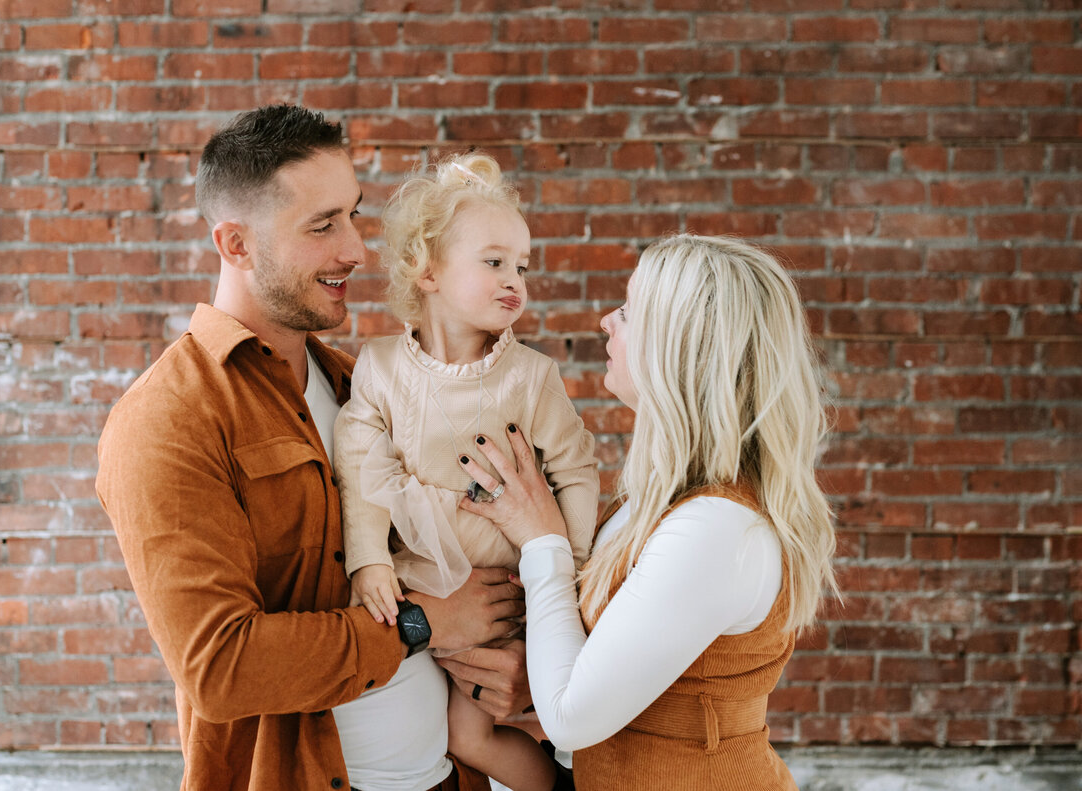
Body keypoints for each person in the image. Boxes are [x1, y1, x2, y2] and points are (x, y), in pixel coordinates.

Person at [95, 104, 528, 791]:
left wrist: (507, 667)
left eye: (353, 215)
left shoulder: (363, 385)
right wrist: (421, 625)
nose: (355, 249)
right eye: (323, 226)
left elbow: (452, 558)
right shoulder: (169, 418)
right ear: (236, 244)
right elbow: (221, 667)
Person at [455, 234, 840, 789]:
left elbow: (569, 718)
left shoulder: (718, 529)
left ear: (680, 346)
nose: (607, 320)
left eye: (631, 311)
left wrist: (542, 540)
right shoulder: (658, 501)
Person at [333, 153, 598, 791]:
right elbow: (361, 466)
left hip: (513, 599)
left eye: (523, 267)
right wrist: (367, 559)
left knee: (476, 733)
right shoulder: (382, 367)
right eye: (494, 261)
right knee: (435, 730)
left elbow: (577, 469)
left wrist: (575, 580)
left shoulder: (530, 378)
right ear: (427, 270)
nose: (516, 280)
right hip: (416, 595)